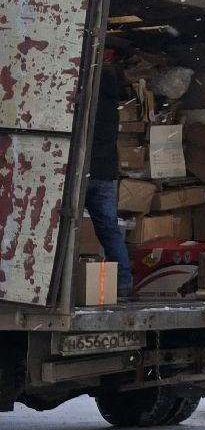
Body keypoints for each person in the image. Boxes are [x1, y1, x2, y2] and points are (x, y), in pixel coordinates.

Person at [85, 47, 134, 296]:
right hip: (104, 174)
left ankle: (55, 283)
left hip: (80, 173)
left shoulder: (86, 96)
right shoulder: (110, 101)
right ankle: (124, 283)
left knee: (61, 226)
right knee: (110, 231)